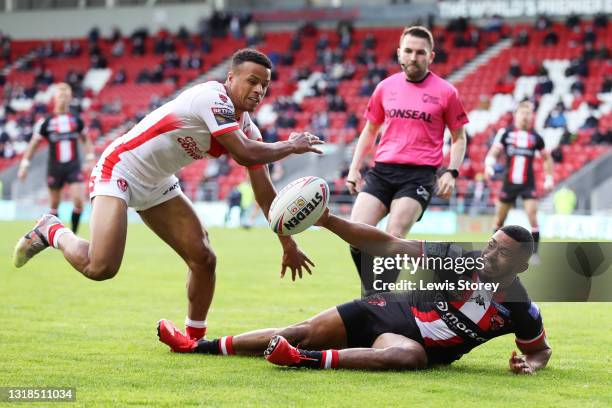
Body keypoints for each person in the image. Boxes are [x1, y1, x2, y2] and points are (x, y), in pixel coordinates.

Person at [13, 49, 323, 341]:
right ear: (231, 78)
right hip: (119, 169)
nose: (259, 90)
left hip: (159, 182)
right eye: (252, 81)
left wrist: (288, 243)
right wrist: (290, 145)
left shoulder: (248, 129)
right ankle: (52, 230)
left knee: (204, 258)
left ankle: (193, 340)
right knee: (101, 267)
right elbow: (243, 154)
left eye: (265, 86)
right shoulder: (211, 98)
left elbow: (266, 194)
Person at [158, 210, 551, 374]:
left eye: (501, 253)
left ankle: (301, 361)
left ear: (520, 265)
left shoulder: (520, 307)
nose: (488, 254)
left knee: (410, 356)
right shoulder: (457, 259)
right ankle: (196, 346)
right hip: (388, 312)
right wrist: (326, 219)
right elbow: (388, 242)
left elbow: (539, 349)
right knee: (301, 329)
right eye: (489, 244)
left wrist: (528, 366)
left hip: (413, 344)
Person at [345, 26, 468, 294]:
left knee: (394, 237)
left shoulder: (446, 92)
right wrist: (354, 168)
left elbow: (459, 137)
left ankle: (376, 300)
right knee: (355, 233)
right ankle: (377, 294)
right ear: (399, 53)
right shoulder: (384, 87)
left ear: (431, 56)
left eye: (420, 52)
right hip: (382, 171)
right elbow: (370, 130)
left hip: (419, 175)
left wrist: (451, 171)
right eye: (409, 51)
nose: (413, 57)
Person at [17, 83, 95, 233]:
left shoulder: (76, 120)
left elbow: (86, 139)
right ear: (55, 98)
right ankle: (56, 236)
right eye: (60, 96)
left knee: (79, 202)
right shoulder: (46, 122)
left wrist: (90, 157)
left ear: (70, 98)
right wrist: (24, 165)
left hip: (73, 166)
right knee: (54, 204)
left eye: (66, 96)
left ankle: (73, 234)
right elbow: (33, 145)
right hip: (55, 168)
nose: (63, 99)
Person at [484, 101, 554, 261]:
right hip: (508, 184)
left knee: (532, 216)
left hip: (527, 184)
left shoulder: (536, 137)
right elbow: (494, 152)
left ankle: (534, 254)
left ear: (532, 117)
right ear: (516, 115)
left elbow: (546, 158)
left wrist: (549, 178)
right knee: (499, 219)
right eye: (523, 113)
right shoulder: (506, 133)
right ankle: (493, 251)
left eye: (528, 113)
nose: (525, 116)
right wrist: (489, 165)